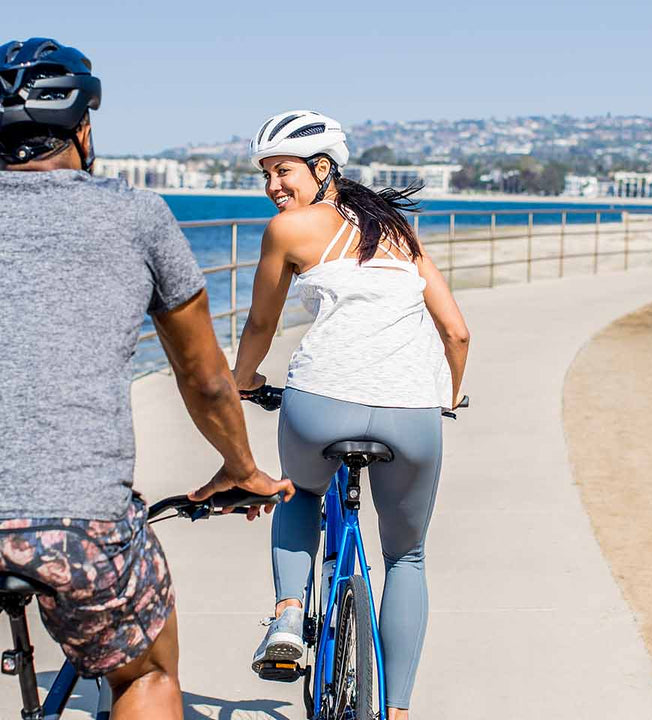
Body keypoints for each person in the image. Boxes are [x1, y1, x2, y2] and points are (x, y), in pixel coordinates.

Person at [0, 38, 293, 719]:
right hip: (77, 520)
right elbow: (206, 378)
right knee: (147, 674)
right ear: (84, 130)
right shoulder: (134, 214)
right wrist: (240, 466)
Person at [232, 109, 469, 718]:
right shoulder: (399, 234)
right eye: (265, 176)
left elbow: (262, 321)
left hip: (320, 405)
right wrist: (447, 395)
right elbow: (457, 332)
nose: (272, 188)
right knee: (406, 557)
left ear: (322, 166)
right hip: (412, 414)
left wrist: (242, 381)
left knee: (298, 495)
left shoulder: (288, 232)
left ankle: (288, 617)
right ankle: (397, 709)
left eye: (282, 171)